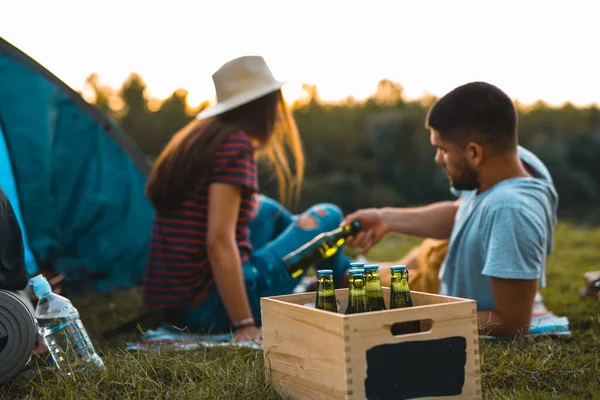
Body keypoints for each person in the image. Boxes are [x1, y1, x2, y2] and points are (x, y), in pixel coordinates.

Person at [142, 56, 352, 342]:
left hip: (179, 306)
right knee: (328, 215)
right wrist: (244, 324)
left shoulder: (198, 137)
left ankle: (333, 273)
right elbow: (218, 241)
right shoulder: (234, 144)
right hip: (213, 309)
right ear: (266, 104)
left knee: (263, 208)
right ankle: (342, 280)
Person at [343, 81, 558, 338]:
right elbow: (461, 212)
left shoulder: (510, 212)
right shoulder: (509, 162)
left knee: (357, 287)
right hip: (443, 273)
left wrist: (417, 317)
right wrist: (384, 218)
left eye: (442, 149)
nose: (437, 159)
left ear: (474, 153)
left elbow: (513, 323)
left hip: (444, 300)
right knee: (355, 277)